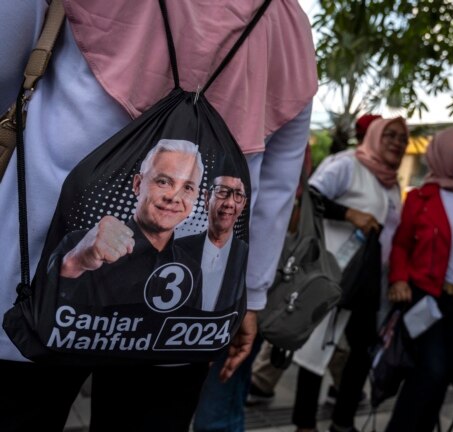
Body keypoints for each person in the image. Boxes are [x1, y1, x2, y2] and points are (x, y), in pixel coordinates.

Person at [0, 1, 317, 431]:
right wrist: (250, 296)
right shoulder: (287, 21)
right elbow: (280, 177)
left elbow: (8, 71)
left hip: (33, 268)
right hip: (183, 313)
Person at [291, 117, 408, 432]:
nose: (398, 142)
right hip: (335, 273)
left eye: (403, 138)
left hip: (369, 282)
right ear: (373, 136)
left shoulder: (391, 183)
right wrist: (349, 213)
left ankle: (342, 422)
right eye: (391, 135)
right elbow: (311, 195)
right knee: (316, 346)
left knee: (362, 350)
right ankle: (305, 424)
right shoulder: (346, 165)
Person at [385, 125, 453, 432]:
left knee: (441, 379)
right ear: (446, 152)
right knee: (431, 370)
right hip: (426, 298)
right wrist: (399, 279)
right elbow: (402, 244)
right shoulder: (420, 197)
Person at [50, 139, 203, 308]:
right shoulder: (78, 245)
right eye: (163, 182)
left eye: (187, 187)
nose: (174, 197)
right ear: (137, 184)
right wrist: (74, 263)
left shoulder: (191, 270)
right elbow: (42, 310)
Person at [177, 175, 248, 312]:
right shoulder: (178, 249)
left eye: (238, 195)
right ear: (207, 198)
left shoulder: (247, 255)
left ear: (243, 205)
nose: (229, 203)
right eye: (222, 192)